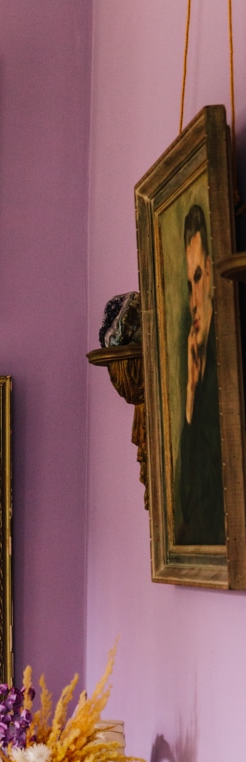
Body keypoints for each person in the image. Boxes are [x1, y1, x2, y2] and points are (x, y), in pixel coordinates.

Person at [175, 201, 225, 546]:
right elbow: (186, 501)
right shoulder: (193, 354)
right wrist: (191, 392)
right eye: (187, 281)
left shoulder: (228, 345)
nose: (194, 298)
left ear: (210, 269)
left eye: (197, 278)